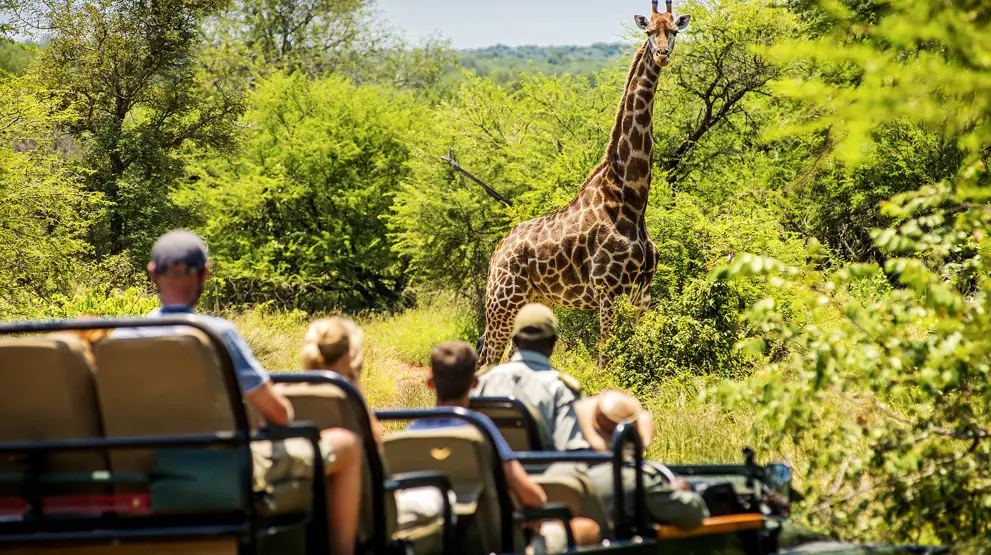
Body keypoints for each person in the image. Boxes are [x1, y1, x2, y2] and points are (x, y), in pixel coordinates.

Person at [113, 229, 361, 555]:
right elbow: (279, 414)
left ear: (153, 272)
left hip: (141, 470)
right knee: (347, 444)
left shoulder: (121, 337)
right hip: (222, 469)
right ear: (204, 273)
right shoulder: (216, 334)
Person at [413, 340, 601, 553]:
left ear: (430, 381)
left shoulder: (409, 434)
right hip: (494, 542)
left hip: (438, 542)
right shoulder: (480, 430)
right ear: (474, 384)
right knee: (588, 528)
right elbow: (531, 496)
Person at [471, 303, 590, 452]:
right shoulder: (561, 389)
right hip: (543, 473)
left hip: (492, 473)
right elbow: (572, 450)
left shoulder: (484, 381)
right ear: (553, 342)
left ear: (515, 339)